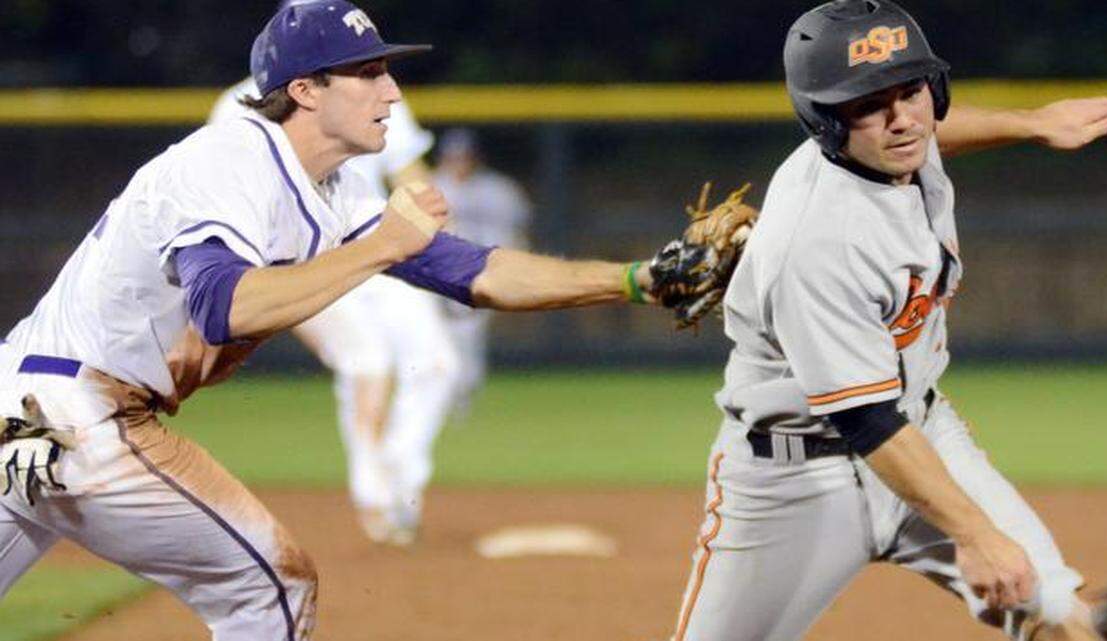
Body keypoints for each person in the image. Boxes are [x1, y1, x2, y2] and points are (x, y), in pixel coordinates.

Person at [0, 2, 661, 639]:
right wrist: (380, 248)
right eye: (368, 72)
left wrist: (633, 280)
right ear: (306, 90)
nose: (392, 92)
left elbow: (477, 272)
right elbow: (225, 306)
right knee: (272, 591)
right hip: (82, 413)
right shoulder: (230, 159)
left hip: (21, 411)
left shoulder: (334, 192)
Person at [668, 2, 1107, 641]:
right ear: (825, 121)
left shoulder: (898, 148)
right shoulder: (817, 242)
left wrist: (1032, 124)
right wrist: (976, 536)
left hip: (921, 434)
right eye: (867, 104)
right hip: (794, 481)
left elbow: (932, 132)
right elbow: (865, 418)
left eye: (912, 90)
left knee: (1058, 614)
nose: (901, 119)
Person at [211, 0, 460, 547]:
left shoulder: (375, 86)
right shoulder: (234, 107)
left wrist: (439, 246)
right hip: (305, 262)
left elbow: (409, 172)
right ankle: (373, 494)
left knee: (440, 363)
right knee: (366, 362)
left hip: (381, 250)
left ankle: (400, 478)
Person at [433, 128, 532, 411]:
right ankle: (448, 394)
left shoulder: (499, 190)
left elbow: (518, 233)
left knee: (466, 335)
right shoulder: (427, 185)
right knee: (438, 336)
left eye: (464, 157)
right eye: (453, 157)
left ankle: (460, 395)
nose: (459, 163)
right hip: (434, 273)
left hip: (482, 271)